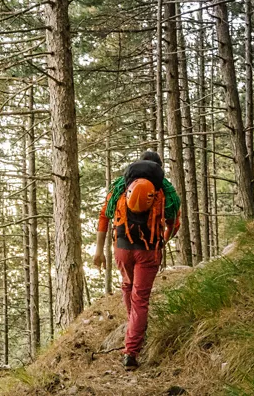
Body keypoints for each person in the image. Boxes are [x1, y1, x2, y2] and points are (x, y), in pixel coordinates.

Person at [93, 150, 181, 370]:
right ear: (158, 168)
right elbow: (174, 223)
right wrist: (164, 241)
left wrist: (98, 251)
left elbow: (105, 216)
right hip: (149, 250)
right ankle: (131, 350)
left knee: (127, 286)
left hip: (122, 247)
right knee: (140, 298)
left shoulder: (121, 186)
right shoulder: (165, 190)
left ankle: (134, 327)